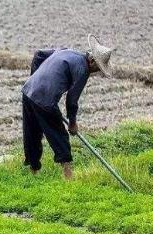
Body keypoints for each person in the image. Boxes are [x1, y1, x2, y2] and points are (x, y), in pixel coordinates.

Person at [21, 34, 114, 179]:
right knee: (59, 135)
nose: (97, 71)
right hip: (45, 99)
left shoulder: (68, 51)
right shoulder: (83, 70)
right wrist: (72, 123)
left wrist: (34, 78)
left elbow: (39, 54)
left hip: (27, 91)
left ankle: (33, 171)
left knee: (32, 131)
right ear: (92, 61)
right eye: (98, 68)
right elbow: (72, 100)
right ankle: (68, 175)